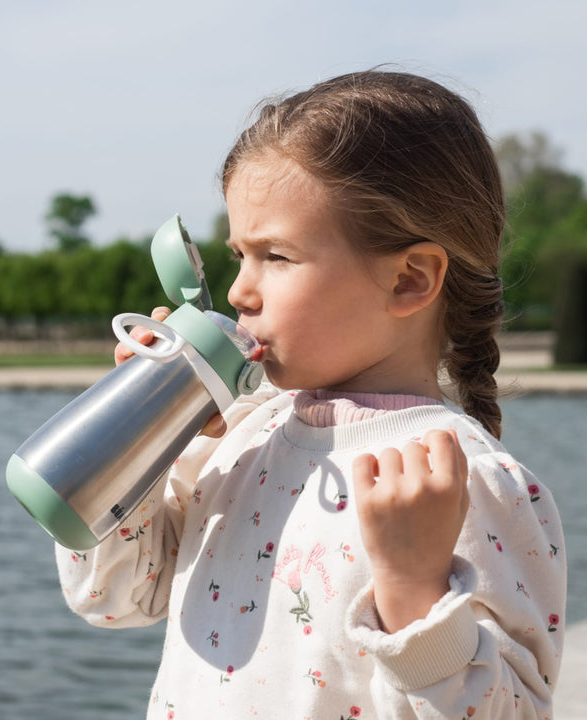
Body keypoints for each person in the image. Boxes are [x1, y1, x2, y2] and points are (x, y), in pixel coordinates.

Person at [56, 71, 566, 718]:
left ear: (409, 280)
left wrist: (414, 600)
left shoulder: (463, 483)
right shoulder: (242, 435)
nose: (240, 291)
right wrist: (136, 444)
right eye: (238, 254)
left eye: (276, 256)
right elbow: (114, 599)